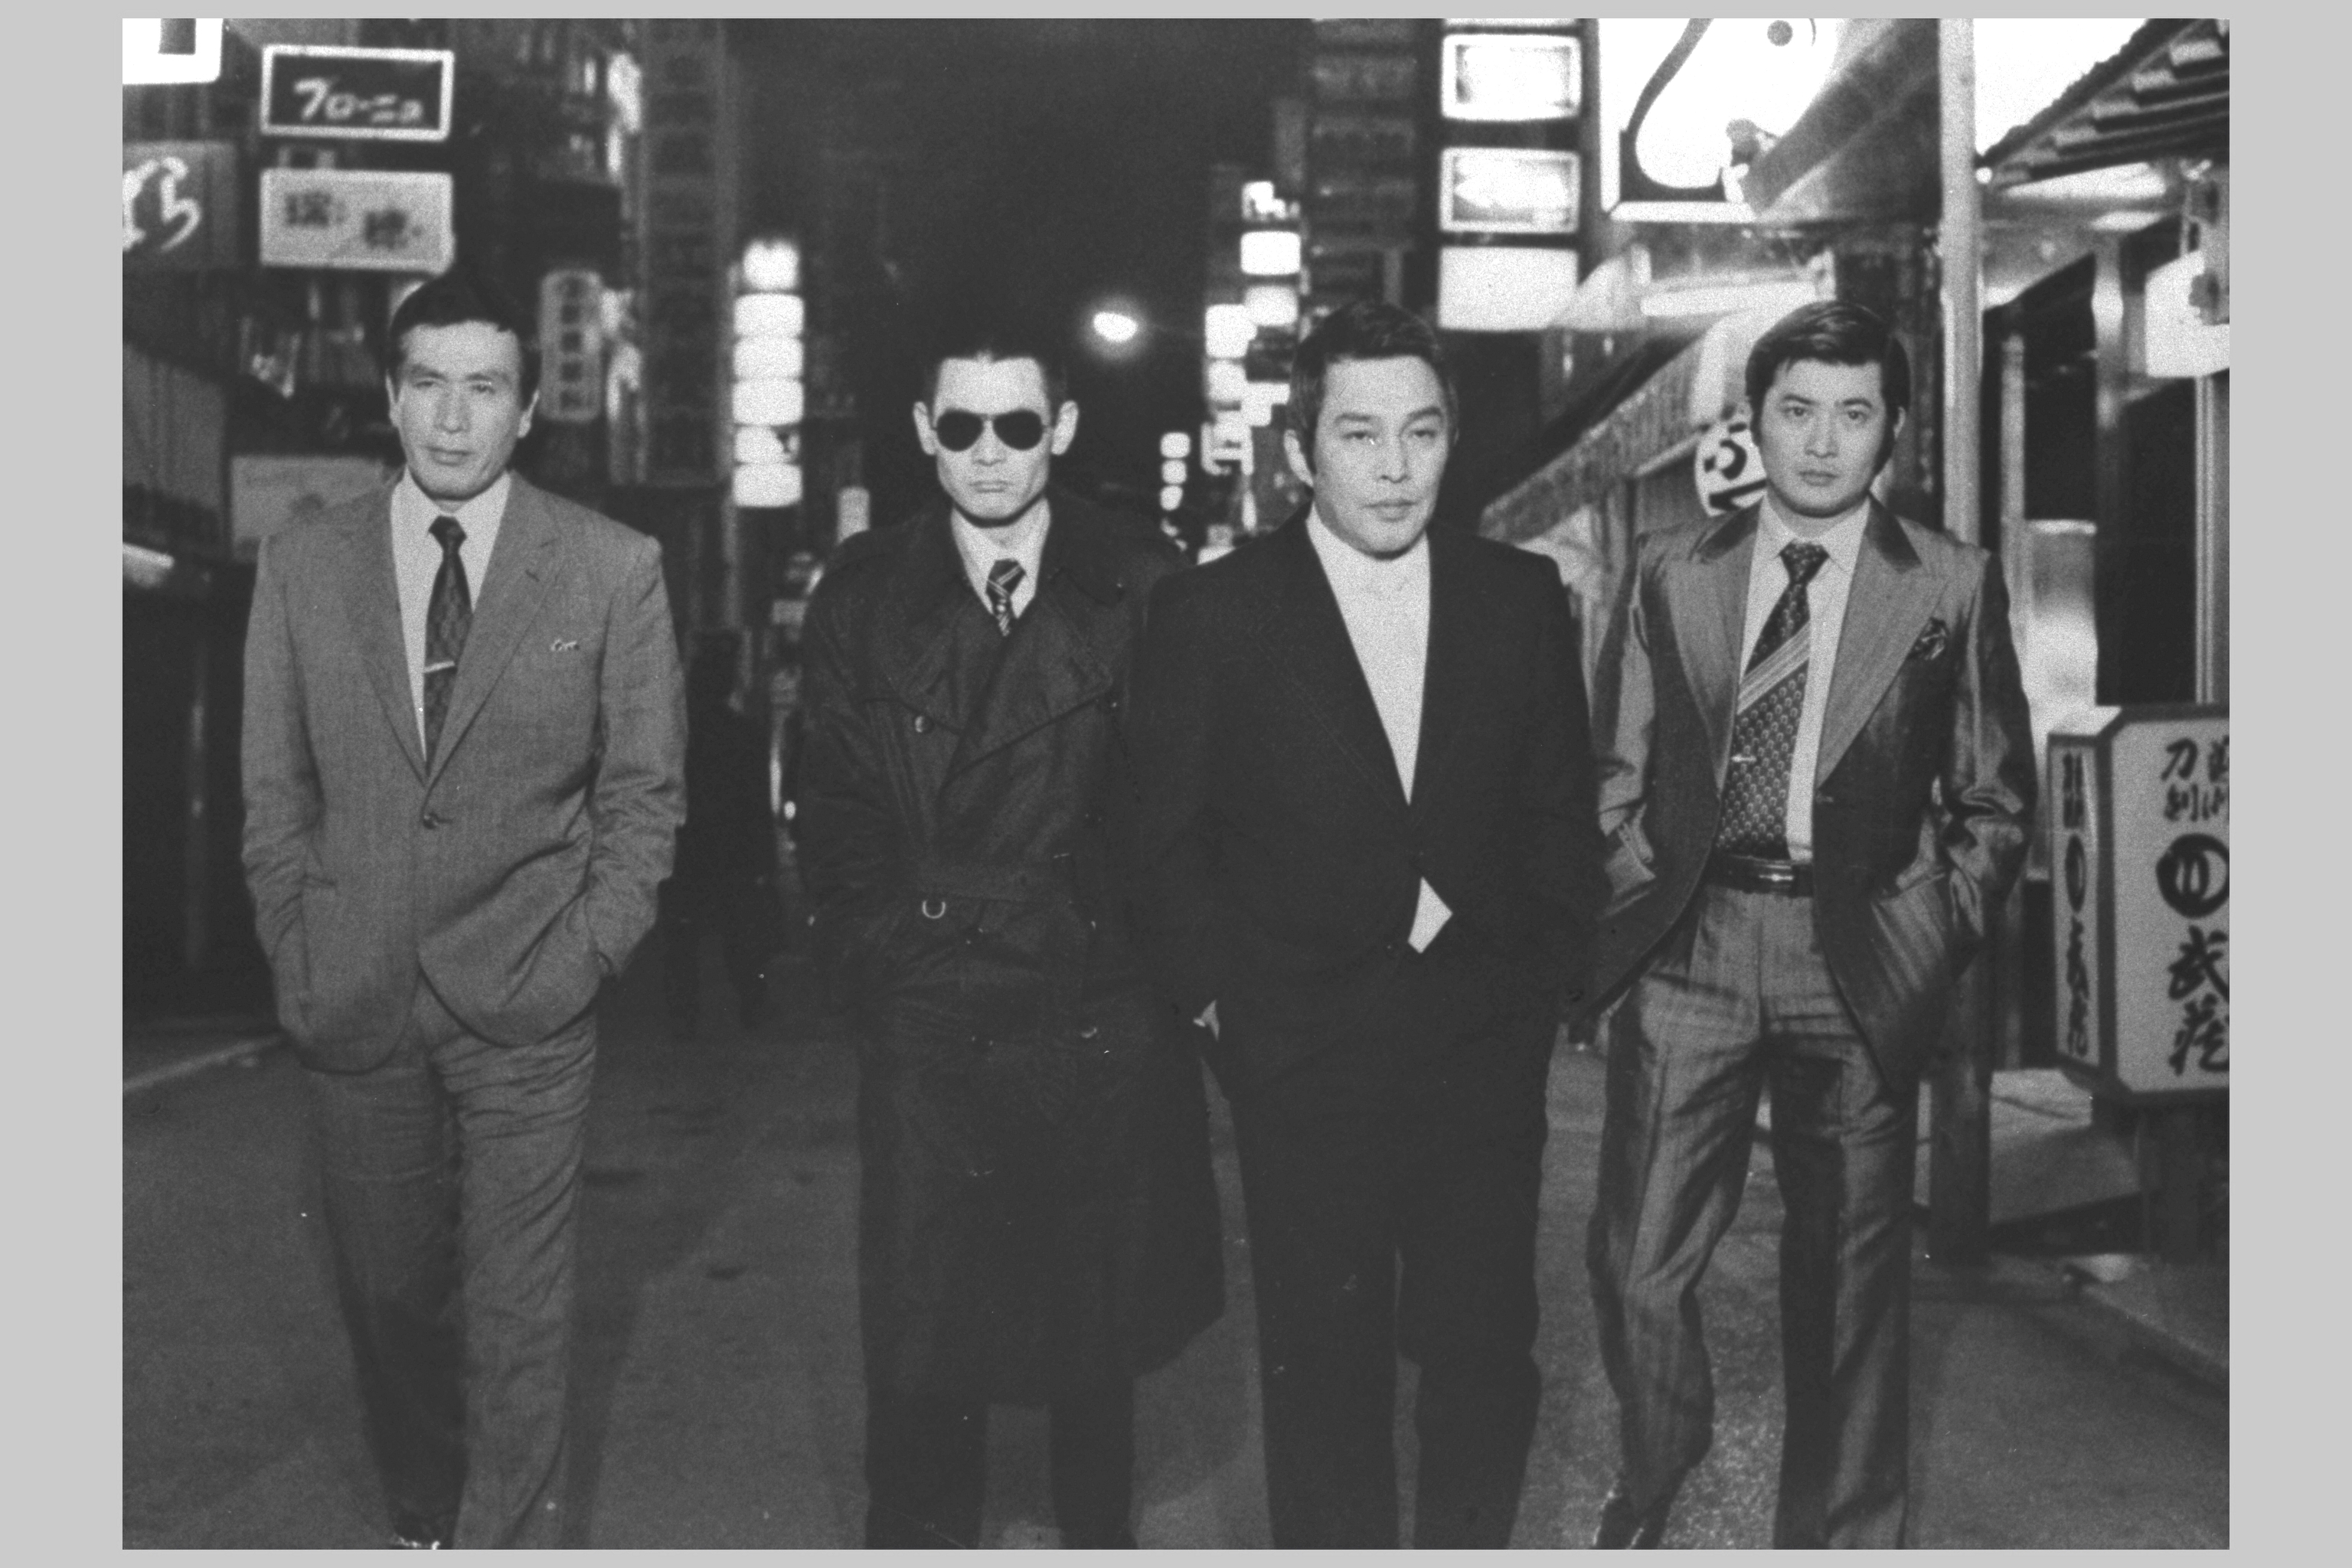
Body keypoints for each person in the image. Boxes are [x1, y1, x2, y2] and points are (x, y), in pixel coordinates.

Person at [1128, 299, 1606, 1548]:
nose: (1394, 467)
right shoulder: (1213, 613)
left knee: (1485, 1357)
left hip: (1481, 1047)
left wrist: (1541, 980)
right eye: (1358, 435)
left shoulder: (1519, 598)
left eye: (1421, 432)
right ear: (1301, 451)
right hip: (1299, 1051)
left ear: (1451, 439)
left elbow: (1561, 811)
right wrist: (1223, 1008)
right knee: (1321, 1370)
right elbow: (1161, 841)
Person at [240, 266, 686, 1549]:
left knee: (521, 1311)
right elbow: (275, 790)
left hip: (530, 997)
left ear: (528, 409)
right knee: (390, 1297)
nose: (451, 417)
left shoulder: (610, 567)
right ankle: (427, 1512)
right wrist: (298, 943)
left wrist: (588, 950)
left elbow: (644, 793)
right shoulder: (304, 563)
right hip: (354, 986)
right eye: (427, 385)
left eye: (483, 388)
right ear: (390, 398)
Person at [1581, 299, 2035, 1548]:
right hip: (1695, 944)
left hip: (1859, 956)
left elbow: (1995, 797)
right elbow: (1614, 772)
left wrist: (1930, 930)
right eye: (1797, 411)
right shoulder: (1672, 570)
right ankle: (1661, 1453)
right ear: (1754, 423)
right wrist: (1638, 900)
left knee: (1847, 1287)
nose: (1823, 442)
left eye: (1853, 413)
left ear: (1893, 429)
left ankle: (1836, 1538)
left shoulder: (1947, 582)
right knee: (1636, 1264)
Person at [797, 310, 1223, 1549]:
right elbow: (836, 811)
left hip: (1091, 1014)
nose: (991, 452)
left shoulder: (1144, 581)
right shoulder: (862, 594)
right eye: (964, 424)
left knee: (1094, 1372)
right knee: (923, 1363)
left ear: (1064, 428)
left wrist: (1151, 977)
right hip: (933, 1018)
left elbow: (1188, 806)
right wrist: (883, 959)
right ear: (924, 431)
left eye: (1019, 423)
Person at [661, 633, 782, 1040]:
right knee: (740, 935)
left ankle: (684, 1014)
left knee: (683, 936)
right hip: (732, 849)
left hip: (689, 846)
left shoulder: (678, 737)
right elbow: (757, 803)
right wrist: (765, 861)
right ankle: (751, 1004)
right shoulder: (744, 733)